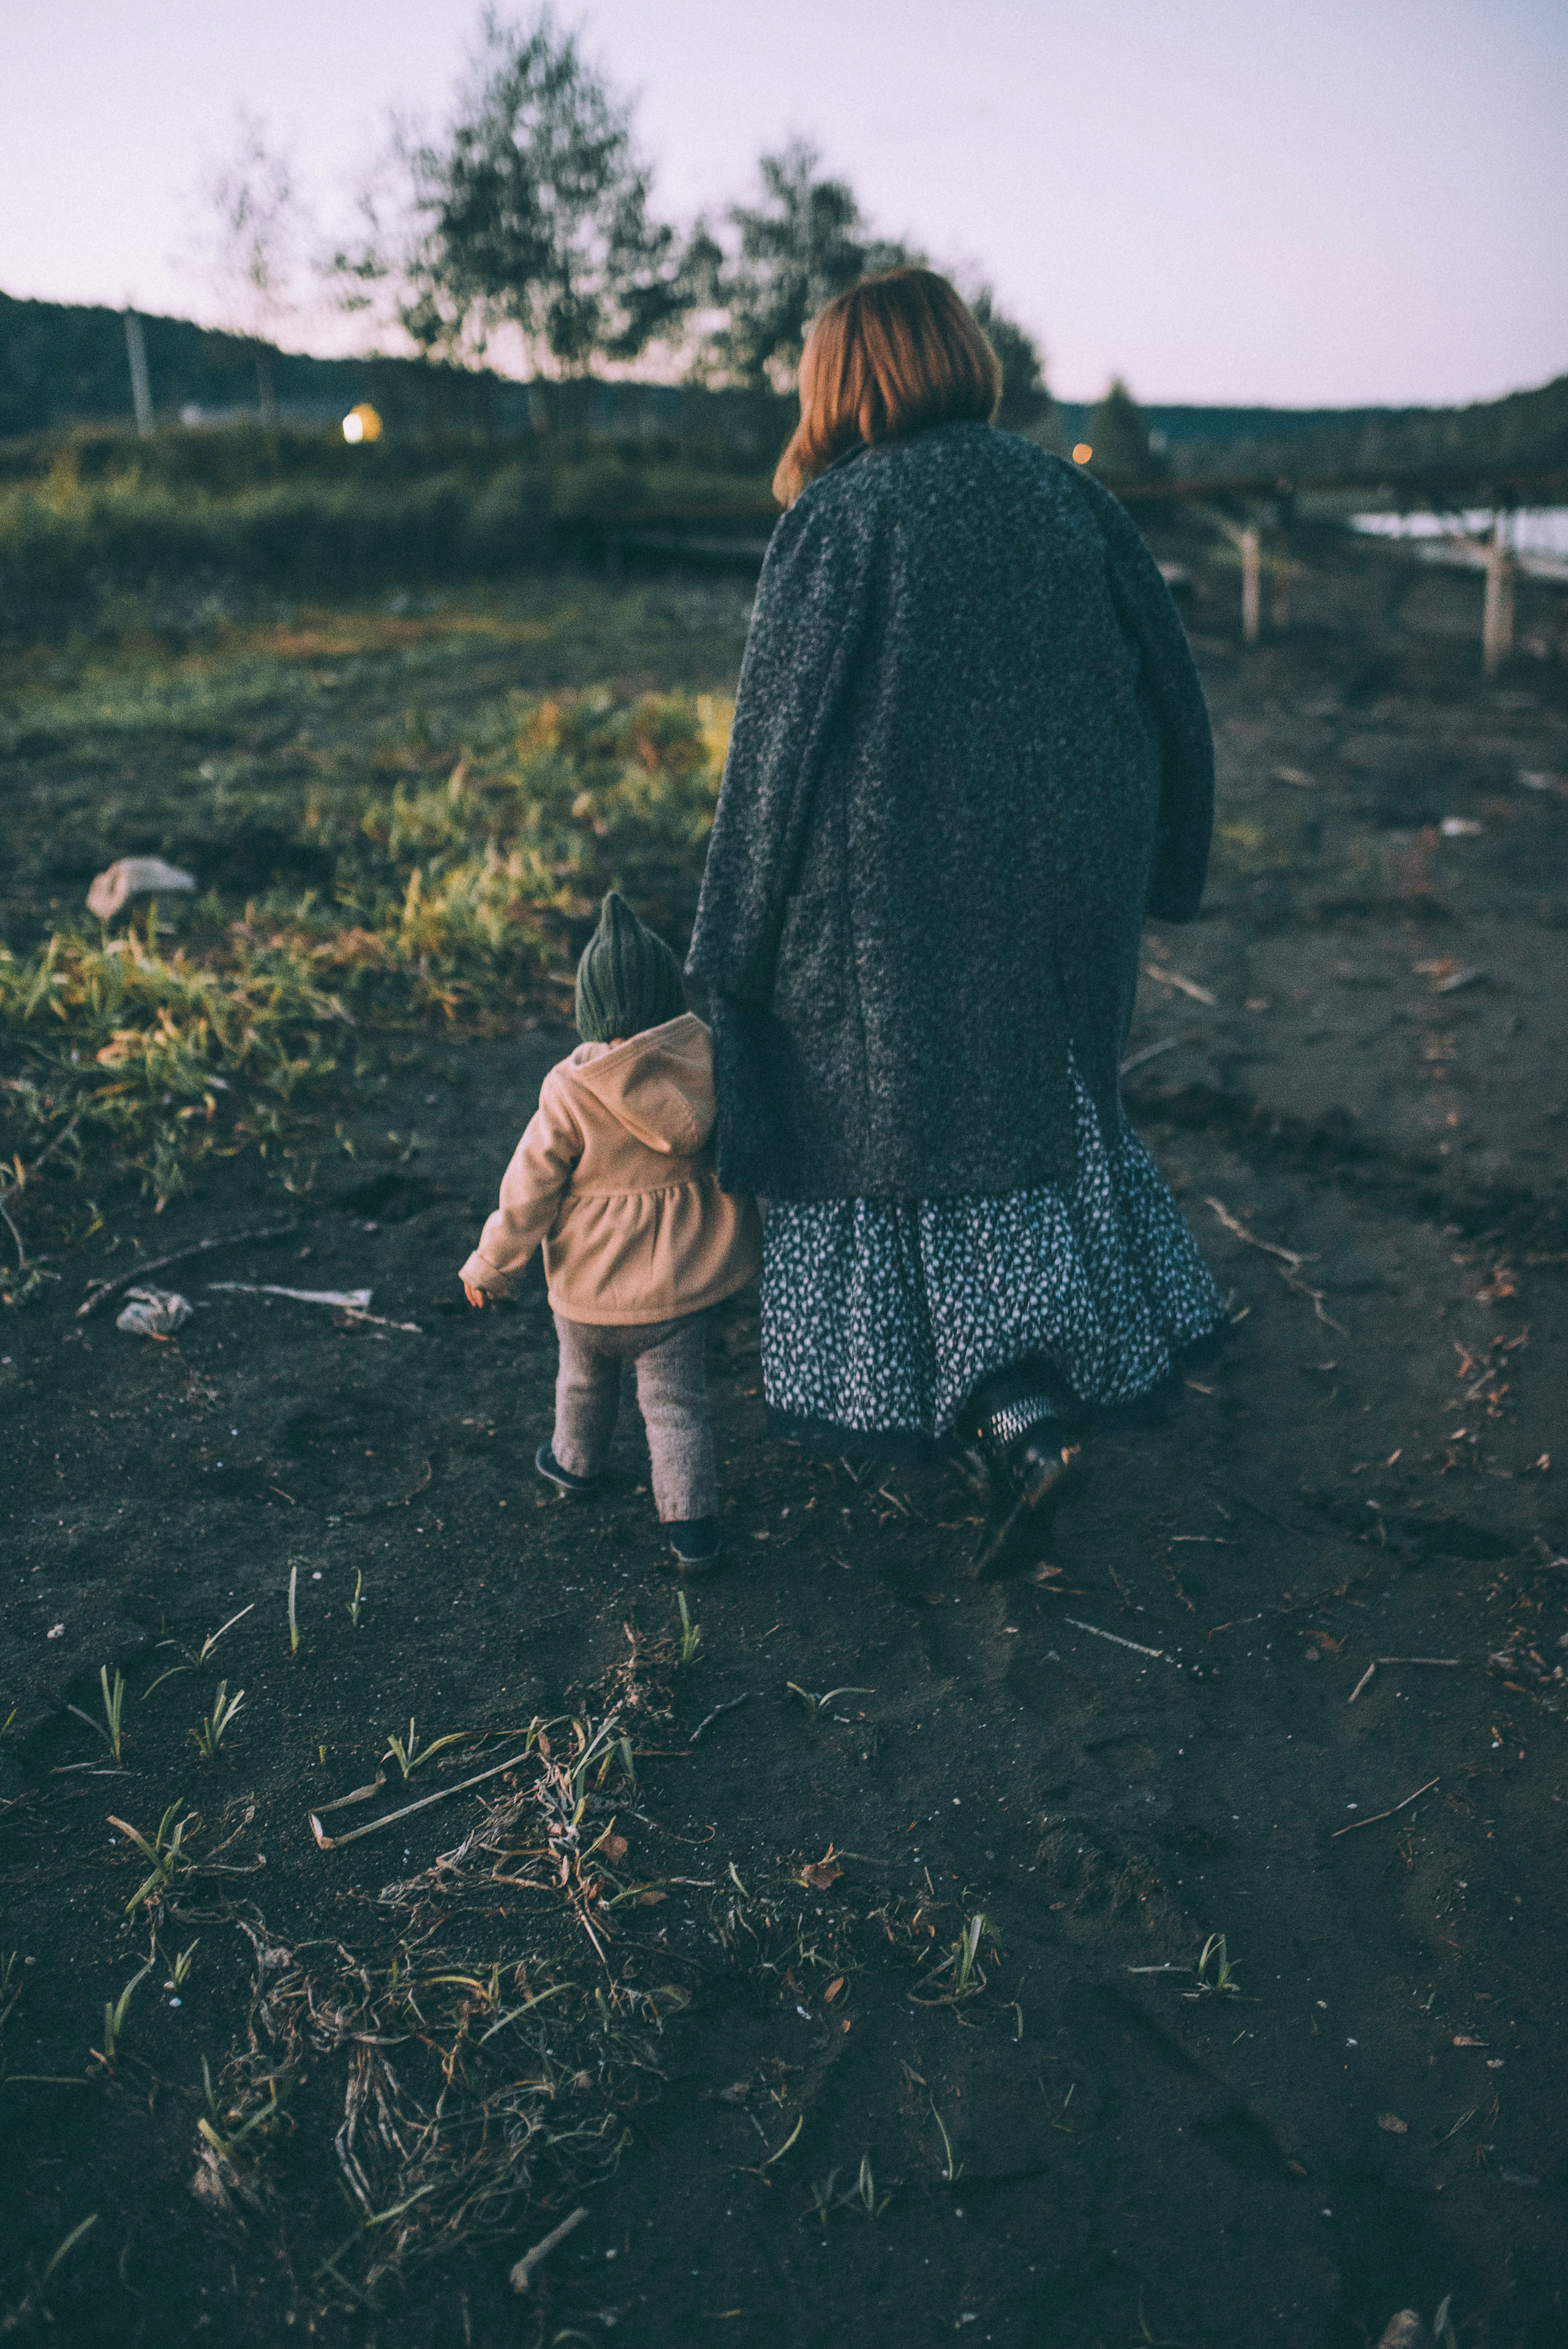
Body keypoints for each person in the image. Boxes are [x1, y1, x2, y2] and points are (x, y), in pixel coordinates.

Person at [684, 267, 1224, 1572]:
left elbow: (773, 757)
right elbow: (1173, 694)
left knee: (893, 1131)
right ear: (958, 358)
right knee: (1041, 1114)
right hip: (1066, 884)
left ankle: (1004, 1412)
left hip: (897, 895)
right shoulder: (1069, 495)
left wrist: (728, 958)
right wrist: (1166, 866)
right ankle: (1033, 1389)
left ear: (834, 381)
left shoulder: (841, 519)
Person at [461, 891, 761, 1573]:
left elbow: (528, 1192)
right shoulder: (711, 1063)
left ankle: (574, 1465)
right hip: (681, 1290)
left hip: (589, 1291)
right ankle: (692, 1529)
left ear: (592, 1012)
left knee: (582, 1381)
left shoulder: (569, 1089)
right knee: (677, 1408)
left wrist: (491, 1265)